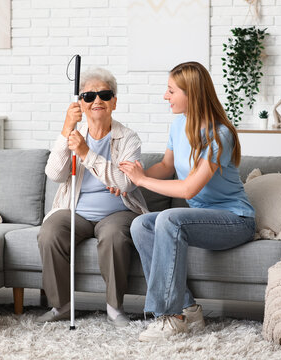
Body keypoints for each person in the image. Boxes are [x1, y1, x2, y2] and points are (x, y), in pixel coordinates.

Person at [119, 61, 255, 341]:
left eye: (171, 91)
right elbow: (167, 166)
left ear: (191, 94)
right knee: (141, 224)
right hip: (202, 219)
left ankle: (169, 317)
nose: (165, 96)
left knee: (170, 218)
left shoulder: (220, 135)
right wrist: (131, 179)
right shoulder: (179, 123)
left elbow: (189, 189)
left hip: (235, 221)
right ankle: (187, 308)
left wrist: (143, 181)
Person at [37, 67, 148, 327]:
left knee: (112, 236)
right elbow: (54, 173)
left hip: (118, 211)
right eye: (88, 96)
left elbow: (126, 183)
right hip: (77, 210)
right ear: (81, 104)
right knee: (50, 232)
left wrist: (87, 153)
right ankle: (62, 306)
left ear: (114, 102)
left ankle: (114, 307)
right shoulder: (74, 135)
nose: (97, 100)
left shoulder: (128, 138)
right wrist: (67, 129)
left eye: (104, 94)